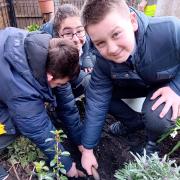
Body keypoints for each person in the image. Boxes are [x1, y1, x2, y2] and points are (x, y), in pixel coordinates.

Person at [80, 0, 180, 175]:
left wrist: (176, 87)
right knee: (90, 85)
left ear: (132, 21)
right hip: (134, 83)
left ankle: (152, 144)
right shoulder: (104, 62)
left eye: (116, 34)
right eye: (100, 43)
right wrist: (87, 150)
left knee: (158, 116)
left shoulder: (169, 30)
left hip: (165, 84)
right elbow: (96, 102)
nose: (111, 48)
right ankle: (133, 122)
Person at [0, 27, 84, 178]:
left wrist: (81, 144)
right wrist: (67, 166)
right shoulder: (21, 90)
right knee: (15, 121)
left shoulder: (48, 51)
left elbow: (67, 106)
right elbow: (39, 129)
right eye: (59, 84)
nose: (60, 86)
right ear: (50, 77)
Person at [40, 4, 96, 99]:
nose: (75, 39)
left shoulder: (83, 34)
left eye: (79, 31)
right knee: (89, 82)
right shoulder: (49, 46)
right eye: (68, 33)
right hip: (56, 78)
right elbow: (62, 82)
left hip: (73, 65)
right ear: (58, 34)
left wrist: (87, 61)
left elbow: (87, 45)